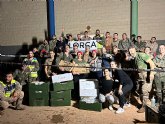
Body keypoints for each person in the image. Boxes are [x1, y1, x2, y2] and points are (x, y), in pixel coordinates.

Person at [128, 46, 156, 113]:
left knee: (144, 91)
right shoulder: (133, 59)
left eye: (132, 50)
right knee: (139, 90)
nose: (130, 52)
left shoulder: (141, 55)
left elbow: (152, 64)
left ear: (135, 49)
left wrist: (151, 74)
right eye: (129, 51)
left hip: (147, 75)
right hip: (140, 77)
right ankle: (143, 104)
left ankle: (144, 107)